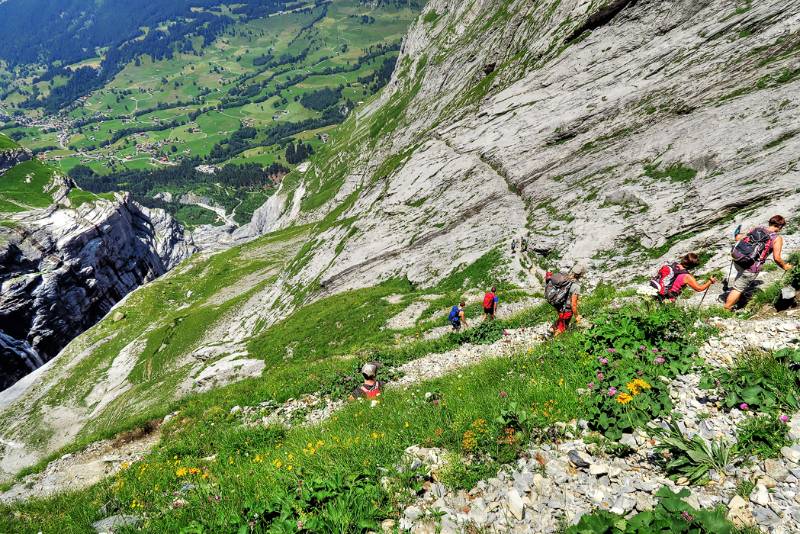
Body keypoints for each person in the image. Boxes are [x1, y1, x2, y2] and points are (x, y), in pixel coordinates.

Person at [724, 215, 794, 311]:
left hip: (738, 260)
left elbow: (738, 238)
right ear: (780, 226)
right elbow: (777, 258)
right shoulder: (777, 238)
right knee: (738, 288)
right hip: (751, 267)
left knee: (740, 278)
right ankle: (726, 309)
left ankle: (739, 296)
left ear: (770, 222)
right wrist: (785, 266)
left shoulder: (757, 228)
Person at [651, 253, 717, 302]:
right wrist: (710, 281)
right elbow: (699, 289)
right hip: (668, 299)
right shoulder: (687, 276)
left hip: (657, 294)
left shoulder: (672, 266)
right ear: (693, 266)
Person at [546, 262, 586, 336]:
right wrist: (577, 316)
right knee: (563, 327)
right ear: (581, 275)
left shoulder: (565, 277)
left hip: (558, 304)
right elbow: (573, 304)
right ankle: (554, 342)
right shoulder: (576, 286)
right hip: (566, 309)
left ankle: (550, 331)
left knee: (561, 318)